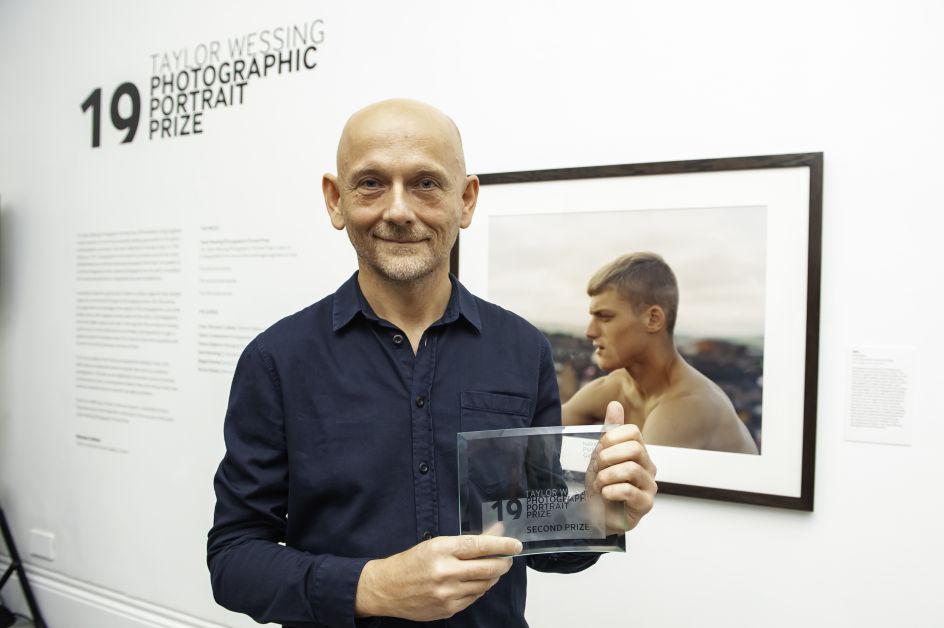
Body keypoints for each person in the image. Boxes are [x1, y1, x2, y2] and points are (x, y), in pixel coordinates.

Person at [207, 99, 657, 628]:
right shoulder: (276, 360)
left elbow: (540, 538)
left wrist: (600, 513)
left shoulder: (522, 348)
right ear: (335, 201)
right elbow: (233, 559)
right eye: (371, 183)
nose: (398, 210)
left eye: (425, 183)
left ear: (465, 200)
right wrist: (370, 587)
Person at [563, 252, 759, 455]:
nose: (590, 331)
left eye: (605, 317)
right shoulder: (616, 387)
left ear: (653, 319)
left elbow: (640, 484)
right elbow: (540, 430)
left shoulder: (688, 407)